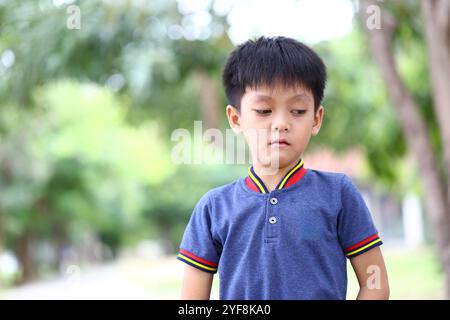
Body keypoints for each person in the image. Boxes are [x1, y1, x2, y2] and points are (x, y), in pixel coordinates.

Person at [177, 36, 389, 300]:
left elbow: (375, 284)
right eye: (264, 110)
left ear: (316, 118)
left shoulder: (338, 193)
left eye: (298, 111)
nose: (281, 123)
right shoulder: (213, 208)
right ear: (235, 118)